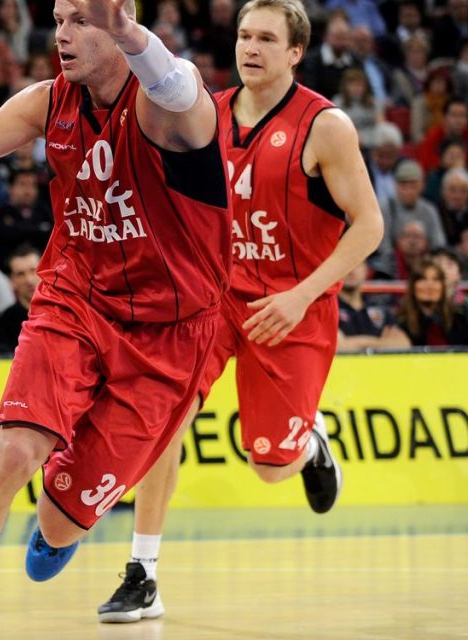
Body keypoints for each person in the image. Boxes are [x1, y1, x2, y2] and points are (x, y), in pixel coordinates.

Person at [0, 0, 232, 635]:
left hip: (170, 334)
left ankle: (61, 515)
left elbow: (176, 86)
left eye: (80, 21)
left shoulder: (169, 105)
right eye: (59, 18)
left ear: (121, 25)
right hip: (75, 298)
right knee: (16, 447)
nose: (61, 35)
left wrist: (126, 30)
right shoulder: (50, 101)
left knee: (58, 522)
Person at [84, 0, 384, 625]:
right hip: (211, 299)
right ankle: (143, 572)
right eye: (245, 35)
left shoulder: (325, 126)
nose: (251, 47)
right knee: (166, 420)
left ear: (296, 52)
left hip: (290, 306)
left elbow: (369, 227)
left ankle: (309, 444)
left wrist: (302, 294)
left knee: (270, 465)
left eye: (267, 39)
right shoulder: (204, 112)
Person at [336, 260, 410, 352]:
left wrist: (353, 342)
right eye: (346, 265)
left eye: (357, 264)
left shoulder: (380, 309)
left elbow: (404, 344)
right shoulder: (328, 309)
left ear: (366, 270)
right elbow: (338, 346)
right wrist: (382, 342)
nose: (352, 270)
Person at [397, 258, 468, 345]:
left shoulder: (460, 320)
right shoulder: (400, 323)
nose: (430, 286)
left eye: (436, 279)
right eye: (422, 279)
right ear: (412, 285)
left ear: (443, 286)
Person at [0, 243, 40, 346]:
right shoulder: (7, 321)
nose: (29, 280)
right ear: (12, 281)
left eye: (33, 271)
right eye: (21, 274)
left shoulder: (64, 312)